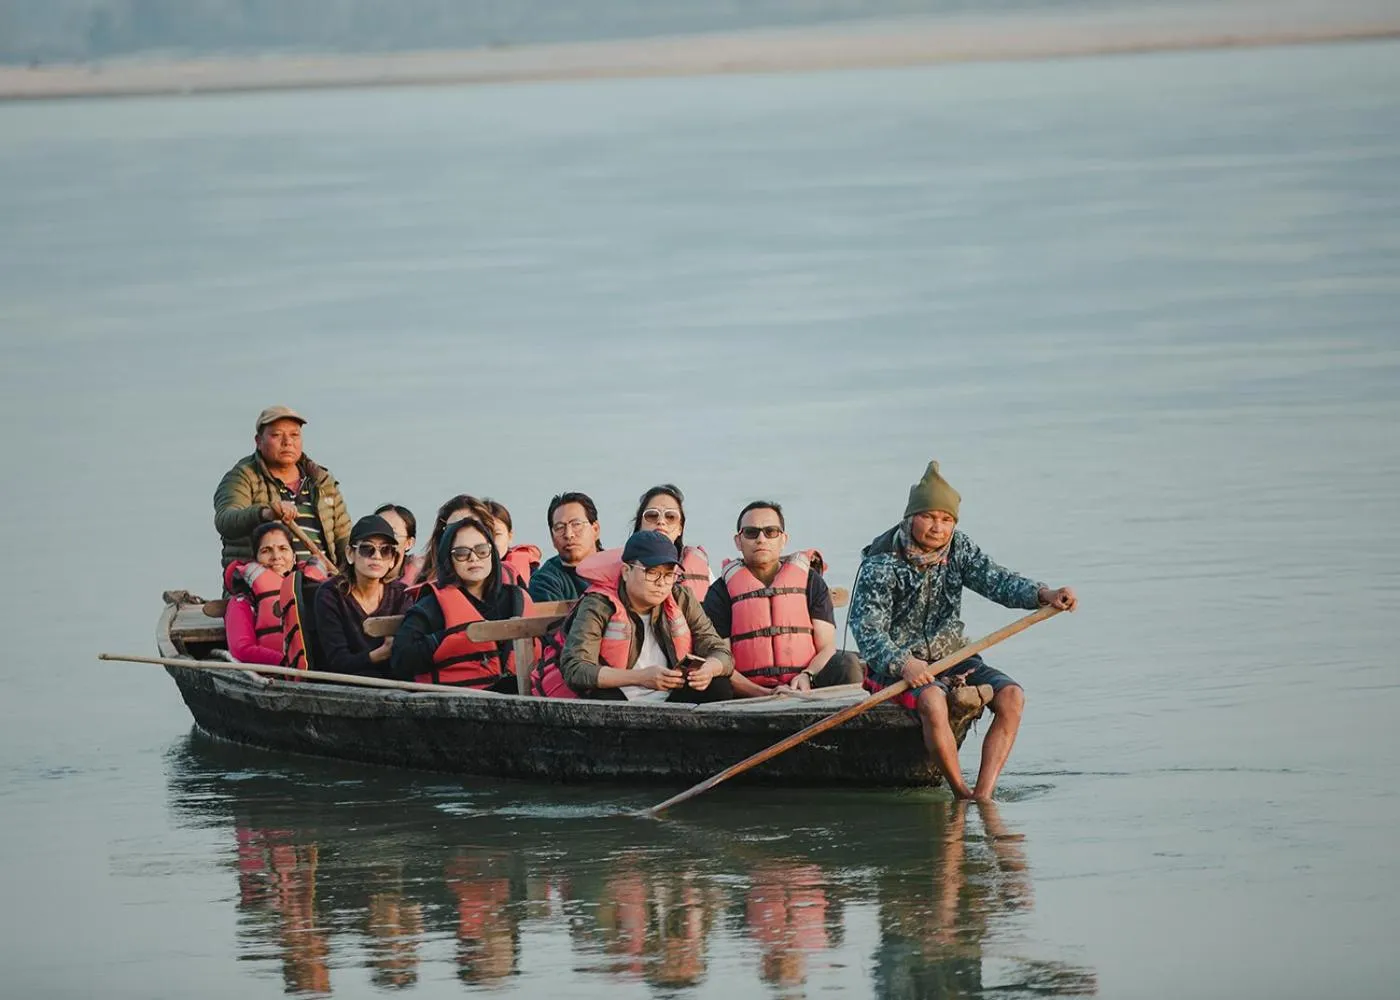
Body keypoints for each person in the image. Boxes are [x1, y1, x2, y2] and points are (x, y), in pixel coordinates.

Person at [848, 461, 1077, 801]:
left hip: (952, 656)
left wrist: (1044, 594)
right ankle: (961, 793)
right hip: (895, 666)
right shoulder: (882, 563)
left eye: (946, 519)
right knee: (933, 700)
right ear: (911, 518)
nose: (938, 528)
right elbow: (866, 630)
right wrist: (903, 663)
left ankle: (983, 795)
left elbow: (998, 582)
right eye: (929, 517)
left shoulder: (959, 549)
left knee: (1012, 696)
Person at [540, 530, 734, 702]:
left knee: (719, 685)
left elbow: (720, 651)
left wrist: (708, 669)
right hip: (618, 700)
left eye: (668, 575)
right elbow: (576, 668)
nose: (661, 583)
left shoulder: (681, 597)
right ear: (626, 572)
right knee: (604, 698)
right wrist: (640, 678)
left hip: (670, 697)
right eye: (652, 572)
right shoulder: (599, 604)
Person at [702, 501, 863, 698]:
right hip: (748, 691)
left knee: (846, 662)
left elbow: (827, 647)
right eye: (751, 533)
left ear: (783, 539)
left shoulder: (811, 582)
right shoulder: (720, 592)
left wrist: (807, 676)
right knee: (714, 679)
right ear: (738, 541)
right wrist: (764, 693)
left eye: (770, 532)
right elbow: (722, 658)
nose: (761, 539)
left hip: (807, 682)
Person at [390, 517, 536, 692]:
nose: (473, 558)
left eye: (482, 550)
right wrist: (448, 640)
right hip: (457, 700)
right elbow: (400, 659)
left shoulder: (515, 598)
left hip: (521, 698)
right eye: (461, 553)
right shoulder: (431, 606)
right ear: (448, 559)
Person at [214, 406, 351, 570]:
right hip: (261, 581)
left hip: (320, 581)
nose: (287, 442)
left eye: (294, 435)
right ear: (258, 441)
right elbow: (226, 520)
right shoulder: (242, 477)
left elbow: (344, 537)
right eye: (276, 435)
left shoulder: (322, 481)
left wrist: (349, 576)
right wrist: (265, 513)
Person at [313, 515, 410, 677]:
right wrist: (379, 655)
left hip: (392, 684)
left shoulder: (402, 596)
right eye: (367, 549)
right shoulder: (330, 595)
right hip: (342, 684)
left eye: (385, 550)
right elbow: (337, 661)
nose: (377, 556)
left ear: (393, 560)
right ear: (350, 554)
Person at [222, 522, 329, 666]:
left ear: (294, 556)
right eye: (266, 551)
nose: (276, 556)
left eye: (283, 548)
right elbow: (242, 649)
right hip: (277, 671)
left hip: (326, 669)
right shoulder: (244, 601)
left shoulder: (322, 590)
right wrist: (286, 663)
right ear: (256, 559)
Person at [631, 484, 711, 601]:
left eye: (670, 516)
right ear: (639, 525)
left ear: (680, 529)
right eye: (652, 515)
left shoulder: (702, 567)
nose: (661, 521)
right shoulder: (621, 567)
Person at [528, 492, 604, 603]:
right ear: (552, 538)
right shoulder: (544, 582)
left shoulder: (619, 569)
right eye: (560, 527)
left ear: (595, 529)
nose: (568, 534)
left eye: (576, 524)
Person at [483, 498, 542, 586]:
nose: (491, 541)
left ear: (509, 536)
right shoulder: (465, 570)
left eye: (497, 534)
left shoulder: (532, 572)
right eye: (484, 534)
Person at [374, 503, 422, 586]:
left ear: (409, 543)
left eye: (393, 534)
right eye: (377, 532)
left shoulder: (421, 582)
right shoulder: (352, 578)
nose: (382, 540)